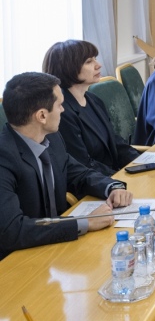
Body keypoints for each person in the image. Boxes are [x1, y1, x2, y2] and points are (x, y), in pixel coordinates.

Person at [0, 72, 134, 260]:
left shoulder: (52, 138)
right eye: (59, 105)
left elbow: (79, 173)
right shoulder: (4, 157)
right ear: (42, 115)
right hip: (19, 259)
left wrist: (112, 187)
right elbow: (13, 230)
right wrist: (84, 222)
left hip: (56, 248)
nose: (63, 110)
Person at [42, 40, 140, 176]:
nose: (98, 65)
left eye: (95, 59)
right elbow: (82, 164)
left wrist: (142, 161)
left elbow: (115, 142)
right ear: (68, 67)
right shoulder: (61, 112)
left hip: (112, 176)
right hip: (95, 182)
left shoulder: (94, 100)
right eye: (89, 61)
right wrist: (119, 179)